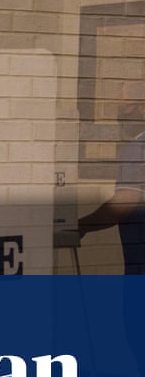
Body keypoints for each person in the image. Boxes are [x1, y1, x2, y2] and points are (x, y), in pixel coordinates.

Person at [75, 81, 145, 273]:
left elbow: (125, 202)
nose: (120, 113)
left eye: (126, 106)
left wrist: (81, 225)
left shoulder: (137, 149)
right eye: (118, 107)